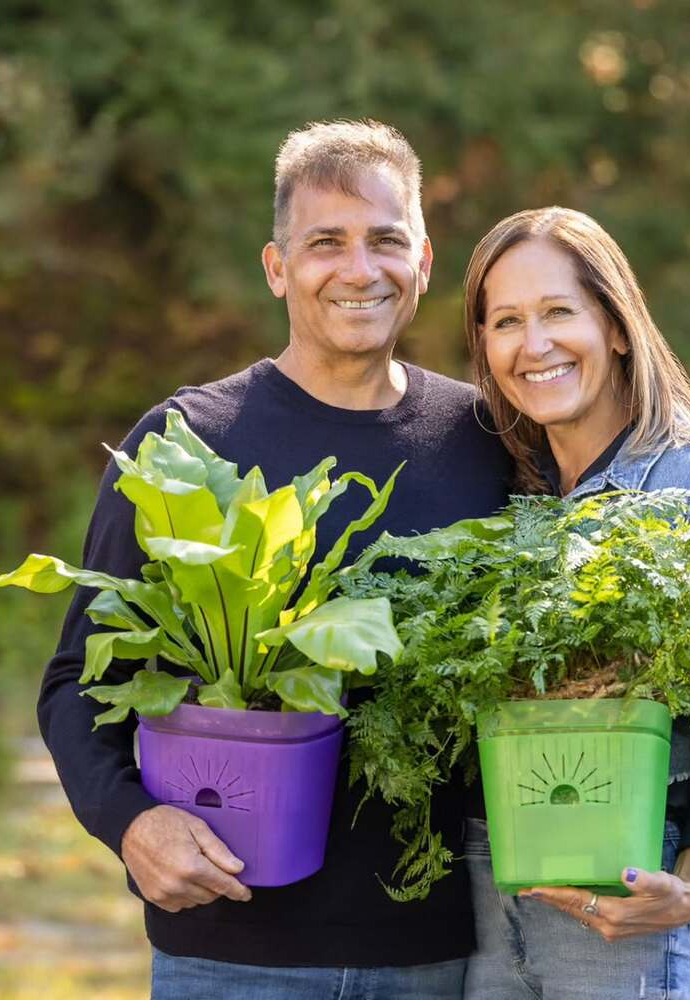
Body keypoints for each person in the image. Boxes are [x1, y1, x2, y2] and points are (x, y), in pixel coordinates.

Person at [37, 120, 513, 1000]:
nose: (359, 269)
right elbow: (76, 681)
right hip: (229, 948)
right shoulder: (187, 442)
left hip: (440, 951)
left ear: (425, 260)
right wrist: (131, 825)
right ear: (277, 267)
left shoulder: (487, 440)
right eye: (325, 243)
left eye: (385, 240)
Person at [459, 207, 690, 999]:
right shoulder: (502, 500)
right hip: (489, 902)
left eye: (557, 313)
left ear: (614, 325)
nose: (532, 345)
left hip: (631, 910)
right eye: (506, 321)